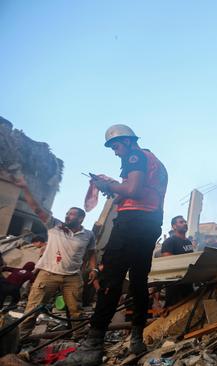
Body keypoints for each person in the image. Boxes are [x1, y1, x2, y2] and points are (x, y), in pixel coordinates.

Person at [61, 124, 168, 365]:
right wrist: (110, 187)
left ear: (127, 141)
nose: (115, 152)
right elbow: (130, 191)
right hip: (150, 224)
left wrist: (109, 186)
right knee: (139, 281)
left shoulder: (135, 155)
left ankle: (92, 346)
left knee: (111, 279)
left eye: (115, 146)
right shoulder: (154, 161)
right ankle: (137, 338)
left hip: (132, 223)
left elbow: (133, 189)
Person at [13, 177, 97, 338]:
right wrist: (25, 187)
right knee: (32, 309)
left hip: (72, 277)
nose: (67, 216)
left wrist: (93, 268)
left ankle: (78, 338)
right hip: (48, 274)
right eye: (67, 214)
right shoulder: (55, 226)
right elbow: (37, 209)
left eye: (72, 215)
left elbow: (92, 252)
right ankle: (20, 339)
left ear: (81, 219)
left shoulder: (88, 235)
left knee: (76, 311)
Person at [160, 216, 194, 307]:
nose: (184, 223)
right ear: (174, 226)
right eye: (181, 222)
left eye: (185, 222)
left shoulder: (188, 242)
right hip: (175, 284)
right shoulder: (169, 242)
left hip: (188, 281)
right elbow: (168, 262)